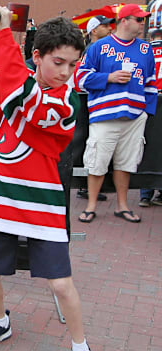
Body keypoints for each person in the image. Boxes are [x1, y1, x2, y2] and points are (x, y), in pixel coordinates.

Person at [0, 8, 102, 351]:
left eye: (72, 63)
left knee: (61, 283)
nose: (66, 72)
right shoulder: (7, 87)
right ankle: (1, 322)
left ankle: (80, 346)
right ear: (37, 56)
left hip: (41, 204)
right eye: (58, 62)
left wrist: (4, 36)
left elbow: (22, 97)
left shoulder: (66, 103)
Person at [75, 4, 157, 223]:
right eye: (138, 20)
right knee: (97, 162)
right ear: (124, 21)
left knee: (126, 163)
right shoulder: (98, 47)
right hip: (104, 114)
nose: (142, 24)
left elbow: (150, 83)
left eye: (143, 20)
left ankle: (122, 206)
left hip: (134, 116)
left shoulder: (145, 49)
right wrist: (108, 78)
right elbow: (80, 79)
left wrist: (145, 112)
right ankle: (91, 206)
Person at [75, 15, 114, 202]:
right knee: (88, 144)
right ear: (94, 30)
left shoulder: (99, 49)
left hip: (91, 103)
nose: (109, 28)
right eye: (104, 26)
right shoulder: (92, 50)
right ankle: (86, 185)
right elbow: (82, 81)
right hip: (88, 103)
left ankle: (88, 185)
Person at [138, 28, 162, 207]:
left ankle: (145, 193)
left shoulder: (144, 52)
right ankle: (159, 191)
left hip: (149, 101)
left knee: (146, 145)